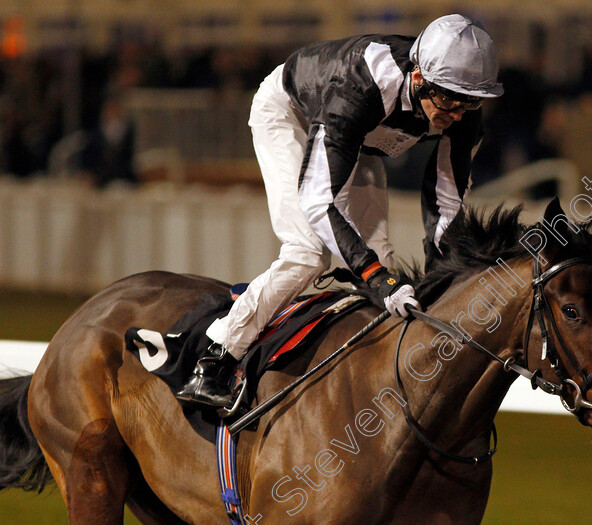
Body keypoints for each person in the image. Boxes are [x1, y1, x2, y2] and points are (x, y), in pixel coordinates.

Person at [175, 14, 504, 409]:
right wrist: (374, 276)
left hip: (359, 139)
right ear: (418, 77)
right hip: (292, 113)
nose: (457, 114)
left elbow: (447, 204)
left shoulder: (462, 111)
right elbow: (317, 200)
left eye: (471, 102)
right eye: (449, 99)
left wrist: (442, 276)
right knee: (309, 253)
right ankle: (215, 358)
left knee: (383, 266)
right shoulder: (359, 84)